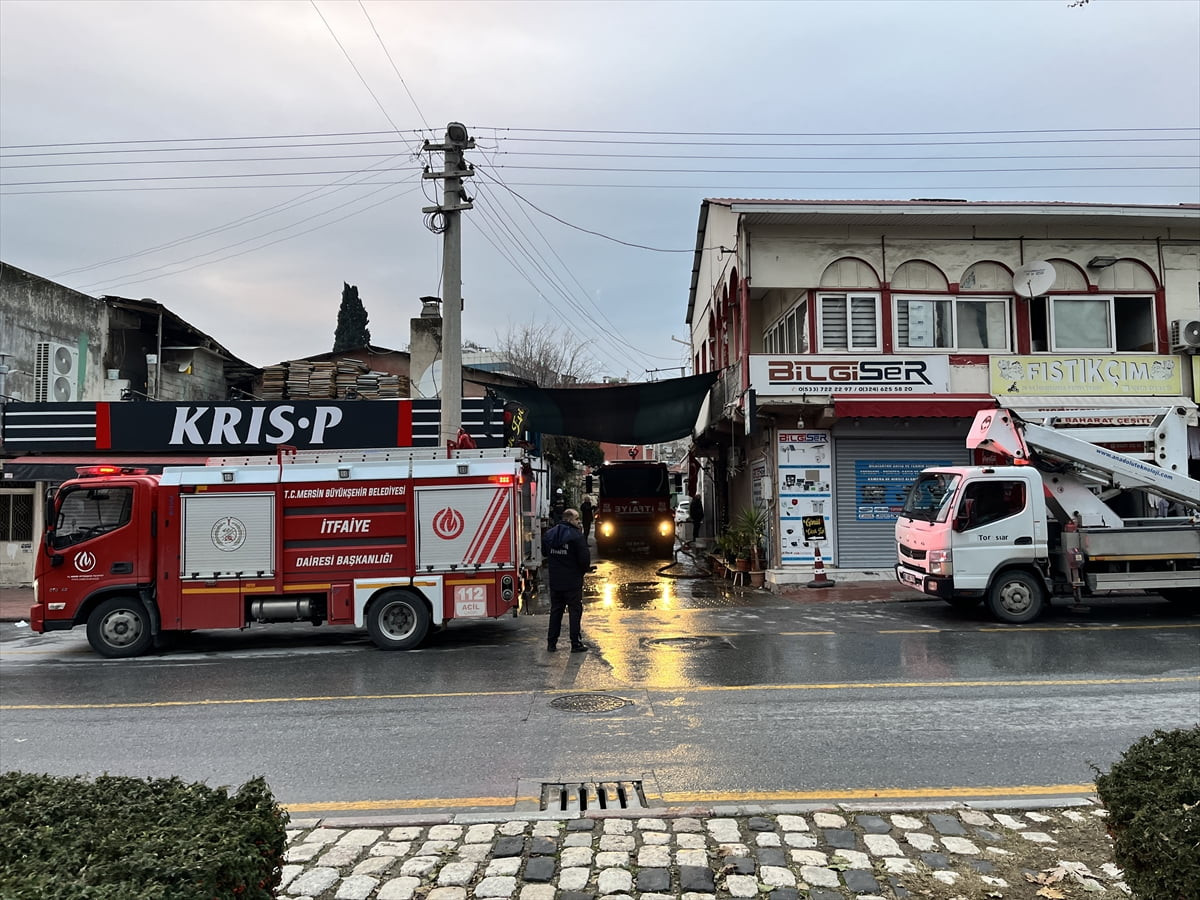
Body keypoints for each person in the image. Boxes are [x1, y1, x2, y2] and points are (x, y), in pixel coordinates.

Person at [542, 507, 591, 653]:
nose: (579, 522)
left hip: (556, 581)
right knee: (575, 611)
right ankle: (575, 643)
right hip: (572, 582)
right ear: (569, 519)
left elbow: (545, 553)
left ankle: (551, 643)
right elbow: (584, 560)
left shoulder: (550, 534)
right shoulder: (576, 536)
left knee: (556, 611)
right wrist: (580, 572)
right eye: (577, 519)